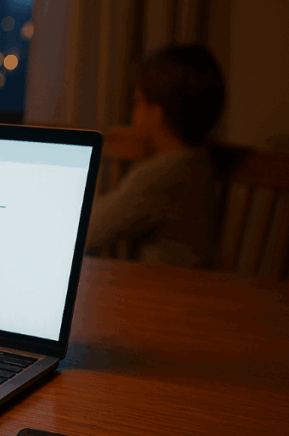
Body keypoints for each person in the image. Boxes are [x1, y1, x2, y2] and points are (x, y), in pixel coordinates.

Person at [85, 44, 227, 268]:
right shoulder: (196, 161)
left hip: (164, 290)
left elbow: (87, 230)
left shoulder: (162, 174)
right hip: (190, 284)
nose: (133, 115)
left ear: (156, 114)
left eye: (137, 103)